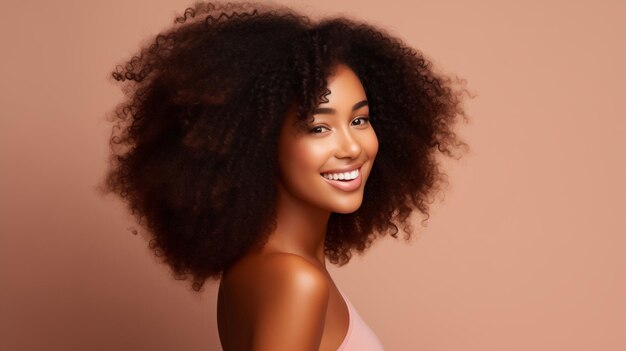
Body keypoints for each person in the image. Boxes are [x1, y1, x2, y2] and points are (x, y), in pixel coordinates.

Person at [101, 1, 469, 350]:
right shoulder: (294, 282)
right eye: (319, 128)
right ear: (259, 143)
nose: (352, 147)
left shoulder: (264, 266)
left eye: (359, 120)